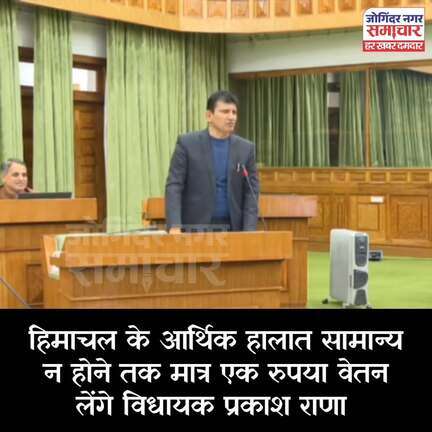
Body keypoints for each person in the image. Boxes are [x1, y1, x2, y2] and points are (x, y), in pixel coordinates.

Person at [165, 90, 259, 233]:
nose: (231, 117)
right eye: (225, 112)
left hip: (234, 228)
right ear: (209, 116)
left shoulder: (246, 148)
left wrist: (250, 229)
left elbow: (251, 192)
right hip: (195, 227)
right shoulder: (187, 144)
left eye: (234, 112)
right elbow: (174, 185)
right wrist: (174, 225)